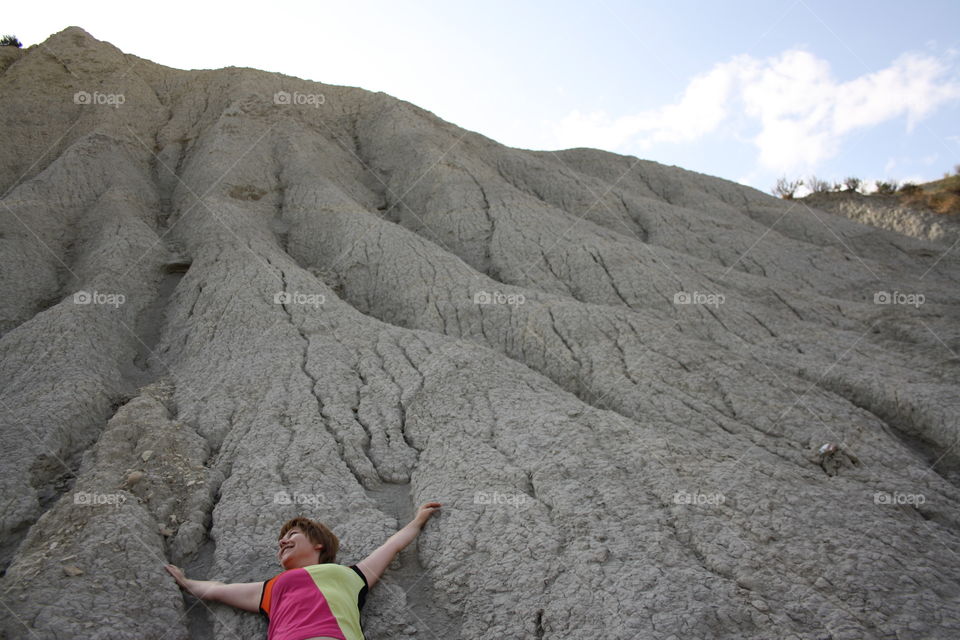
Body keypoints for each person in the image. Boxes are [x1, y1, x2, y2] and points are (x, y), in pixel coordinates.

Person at [164, 501, 442, 640]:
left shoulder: (349, 575)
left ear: (318, 544)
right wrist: (184, 581)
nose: (283, 541)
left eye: (292, 534)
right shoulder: (270, 588)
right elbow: (216, 590)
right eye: (280, 541)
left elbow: (392, 545)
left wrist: (417, 520)